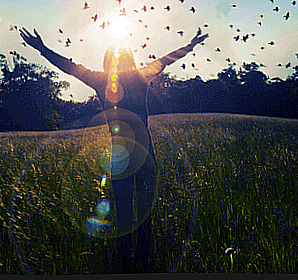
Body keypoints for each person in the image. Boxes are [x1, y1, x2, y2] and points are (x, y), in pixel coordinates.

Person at [20, 27, 208, 273]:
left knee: (126, 212)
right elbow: (167, 59)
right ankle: (138, 263)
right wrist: (191, 45)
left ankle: (126, 264)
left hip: (122, 155)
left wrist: (42, 49)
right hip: (142, 153)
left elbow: (70, 67)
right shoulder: (139, 75)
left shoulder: (103, 79)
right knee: (141, 212)